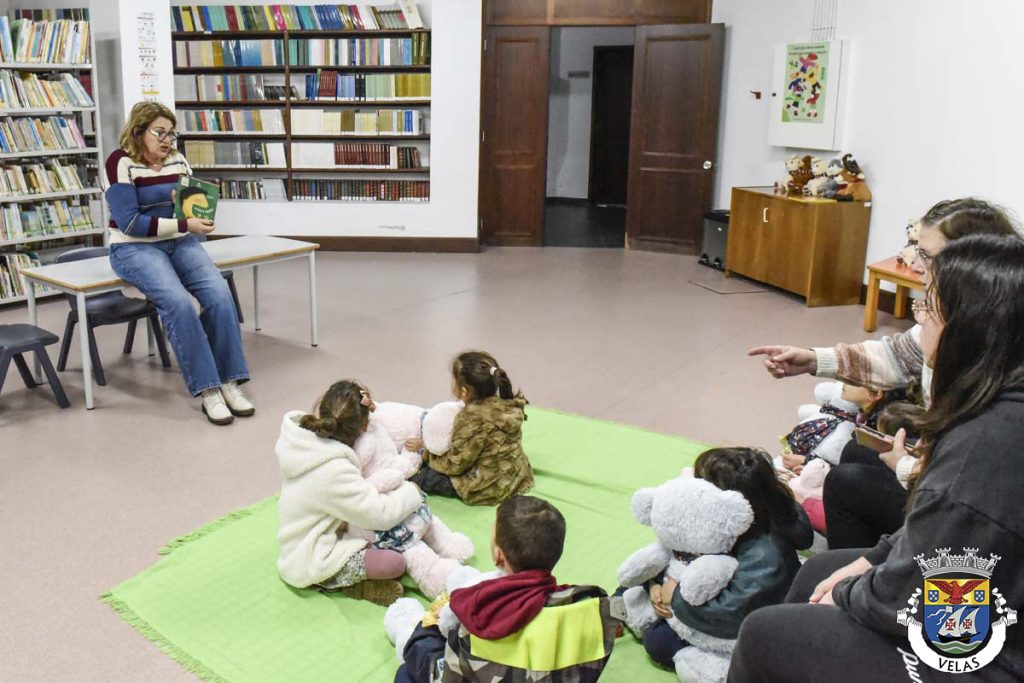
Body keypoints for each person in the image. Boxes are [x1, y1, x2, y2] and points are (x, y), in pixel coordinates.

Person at [729, 235, 1024, 681]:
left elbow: (935, 601)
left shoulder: (982, 446)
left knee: (763, 635)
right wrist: (874, 562)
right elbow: (944, 538)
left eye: (928, 309)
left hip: (985, 654)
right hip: (979, 602)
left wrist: (852, 594)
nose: (918, 321)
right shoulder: (996, 404)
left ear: (970, 328)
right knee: (819, 573)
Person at [748, 198, 1019, 400]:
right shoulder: (945, 313)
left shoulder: (999, 351)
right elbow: (898, 357)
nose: (916, 266)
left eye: (927, 256)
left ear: (972, 261)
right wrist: (812, 360)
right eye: (918, 252)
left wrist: (907, 459)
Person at [105, 101, 252, 425]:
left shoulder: (178, 160)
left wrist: (193, 213)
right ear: (139, 131)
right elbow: (130, 223)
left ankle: (230, 381)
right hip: (134, 248)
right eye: (160, 133)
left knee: (219, 295)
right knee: (178, 303)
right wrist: (185, 223)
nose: (167, 140)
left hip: (179, 241)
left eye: (172, 134)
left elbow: (189, 210)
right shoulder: (120, 161)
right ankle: (208, 389)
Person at [389, 495, 621, 682]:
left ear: (498, 555)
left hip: (470, 669)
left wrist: (428, 627)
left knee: (407, 670)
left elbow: (446, 673)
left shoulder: (474, 613)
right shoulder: (587, 607)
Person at [641, 447, 813, 668]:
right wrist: (656, 583)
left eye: (702, 485)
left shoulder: (766, 554)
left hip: (742, 623)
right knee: (634, 585)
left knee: (658, 641)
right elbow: (678, 550)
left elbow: (731, 613)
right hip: (703, 591)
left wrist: (675, 597)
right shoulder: (722, 524)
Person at [276, 380, 424, 606]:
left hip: (306, 537)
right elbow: (378, 514)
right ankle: (341, 583)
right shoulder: (334, 470)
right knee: (394, 563)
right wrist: (411, 493)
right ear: (364, 427)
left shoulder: (306, 442)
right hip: (311, 558)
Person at [406, 351, 534, 506]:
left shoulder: (471, 420)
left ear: (464, 391)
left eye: (453, 379)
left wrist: (426, 452)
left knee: (421, 476)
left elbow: (454, 465)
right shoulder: (507, 403)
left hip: (488, 488)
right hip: (516, 475)